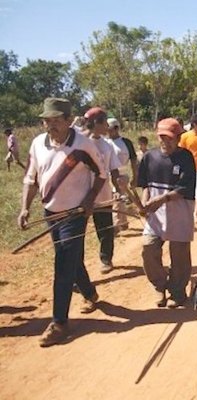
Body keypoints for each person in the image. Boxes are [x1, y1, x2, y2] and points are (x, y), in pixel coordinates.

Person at [18, 98, 107, 347]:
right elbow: (30, 178)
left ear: (69, 121)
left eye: (57, 120)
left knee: (63, 264)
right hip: (50, 213)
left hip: (75, 214)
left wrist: (89, 200)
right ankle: (90, 293)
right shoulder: (37, 144)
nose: (51, 125)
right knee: (70, 257)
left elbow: (102, 174)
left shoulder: (84, 145)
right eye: (47, 120)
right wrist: (25, 208)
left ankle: (59, 323)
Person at [137, 118, 196, 308]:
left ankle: (177, 291)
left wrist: (161, 200)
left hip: (179, 213)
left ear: (178, 138)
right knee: (148, 249)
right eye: (162, 137)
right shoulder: (149, 157)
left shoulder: (186, 158)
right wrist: (145, 202)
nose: (165, 141)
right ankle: (160, 285)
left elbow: (185, 188)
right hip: (155, 216)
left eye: (170, 138)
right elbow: (145, 185)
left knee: (179, 254)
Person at [82, 107, 122, 274]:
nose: (107, 126)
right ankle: (77, 267)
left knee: (105, 228)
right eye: (105, 122)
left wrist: (118, 190)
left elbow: (114, 170)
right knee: (78, 233)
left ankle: (106, 259)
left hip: (103, 194)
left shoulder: (107, 146)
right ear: (96, 123)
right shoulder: (80, 143)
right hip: (80, 196)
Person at [106, 117, 138, 233]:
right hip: (107, 175)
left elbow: (133, 160)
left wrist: (135, 176)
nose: (108, 131)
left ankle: (116, 226)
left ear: (116, 128)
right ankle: (123, 222)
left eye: (110, 129)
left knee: (117, 200)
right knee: (115, 200)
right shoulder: (105, 143)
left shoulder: (126, 143)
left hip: (121, 174)